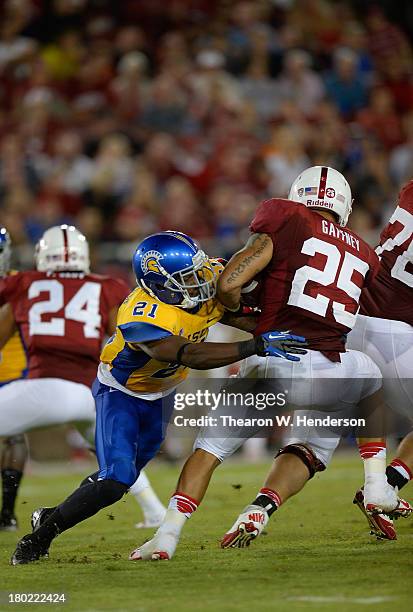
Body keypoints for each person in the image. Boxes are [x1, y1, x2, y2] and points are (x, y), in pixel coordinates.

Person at [130, 166, 406, 561]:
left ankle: (167, 537)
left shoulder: (286, 217)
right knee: (368, 373)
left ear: (299, 195)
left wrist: (238, 313)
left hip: (265, 361)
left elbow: (227, 285)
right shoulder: (363, 252)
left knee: (208, 449)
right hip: (324, 366)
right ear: (343, 205)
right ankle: (377, 484)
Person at [10, 230, 306, 564]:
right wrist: (254, 345)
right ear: (159, 284)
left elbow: (234, 309)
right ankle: (38, 538)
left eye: (199, 271)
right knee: (115, 480)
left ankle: (49, 514)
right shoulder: (141, 314)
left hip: (160, 395)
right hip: (121, 394)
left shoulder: (202, 284)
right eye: (188, 278)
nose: (201, 280)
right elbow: (186, 353)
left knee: (121, 477)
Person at [0, 228, 29, 531]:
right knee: (13, 436)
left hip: (14, 366)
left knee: (13, 436)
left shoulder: (20, 282)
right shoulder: (20, 283)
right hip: (14, 368)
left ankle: (7, 511)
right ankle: (7, 512)